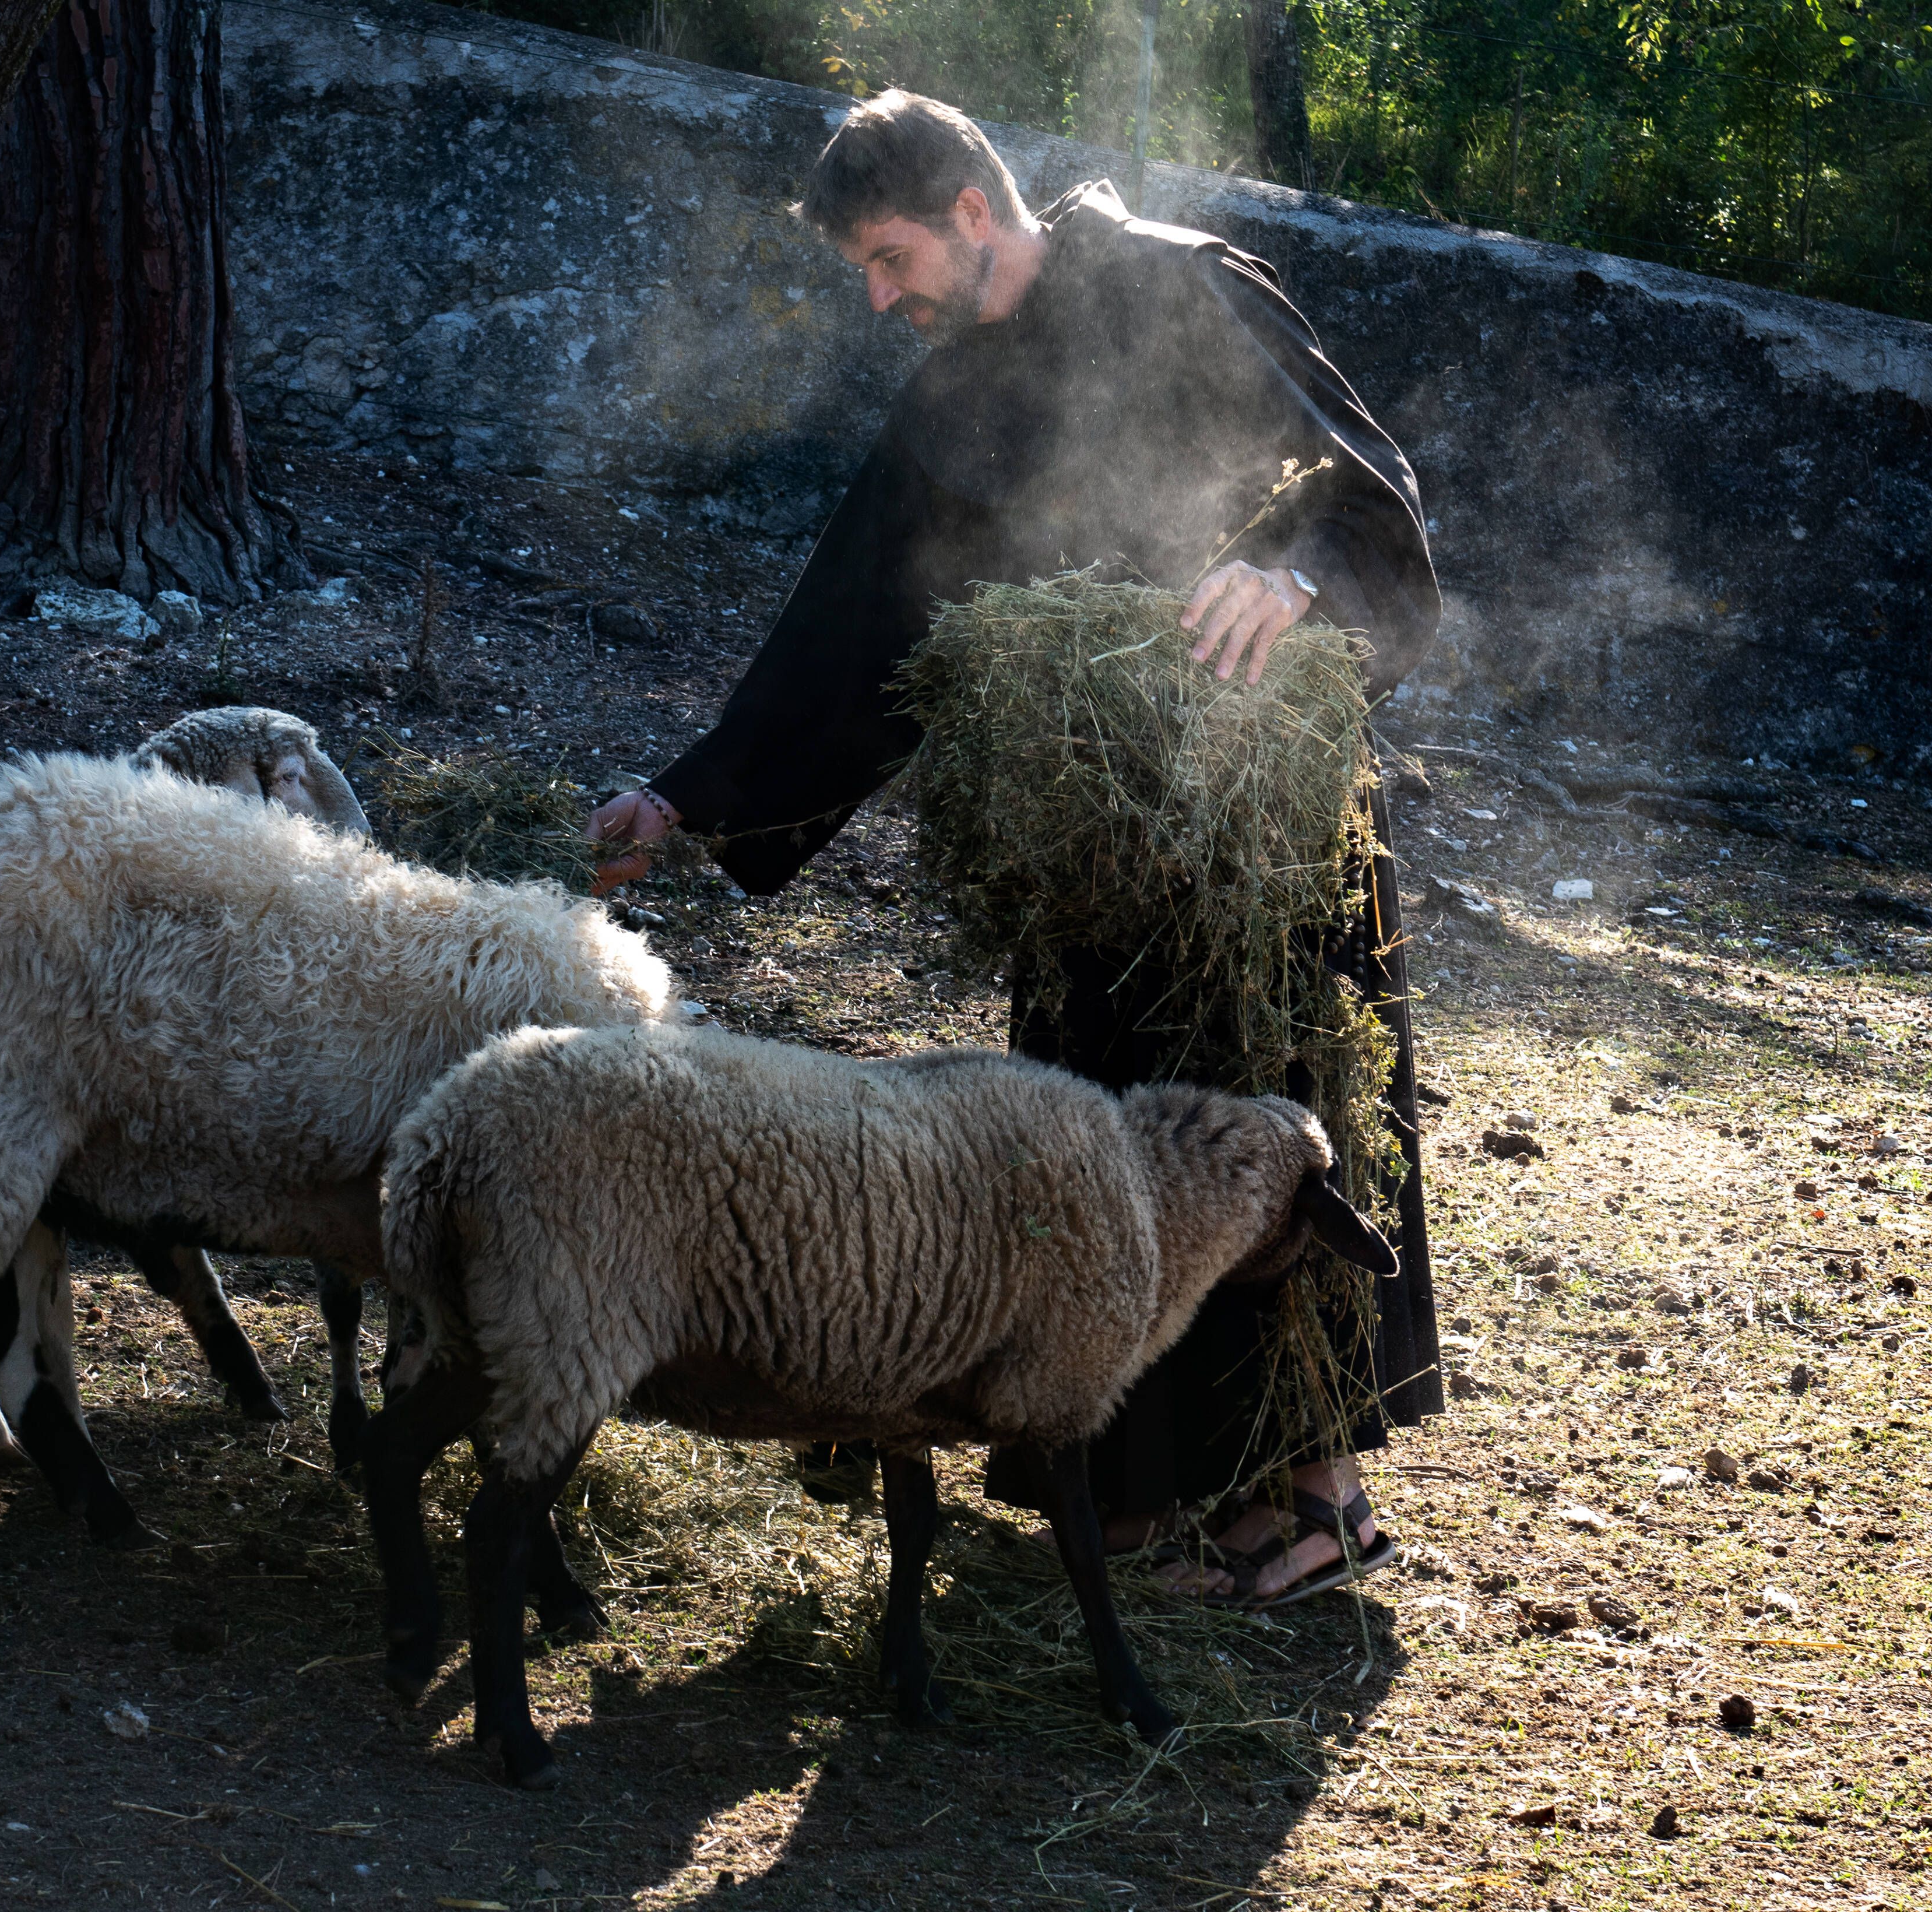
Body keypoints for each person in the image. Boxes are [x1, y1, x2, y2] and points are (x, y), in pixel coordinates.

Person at [588, 92, 1444, 1608]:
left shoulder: (1182, 284)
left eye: (892, 255)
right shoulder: (950, 403)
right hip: (1091, 857)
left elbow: (1362, 490)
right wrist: (693, 798)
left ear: (975, 214)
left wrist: (1295, 578)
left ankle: (1318, 1505)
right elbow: (852, 635)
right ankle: (1141, 1498)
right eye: (865, 267)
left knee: (1275, 1123)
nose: (882, 296)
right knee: (1110, 1157)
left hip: (1260, 828)